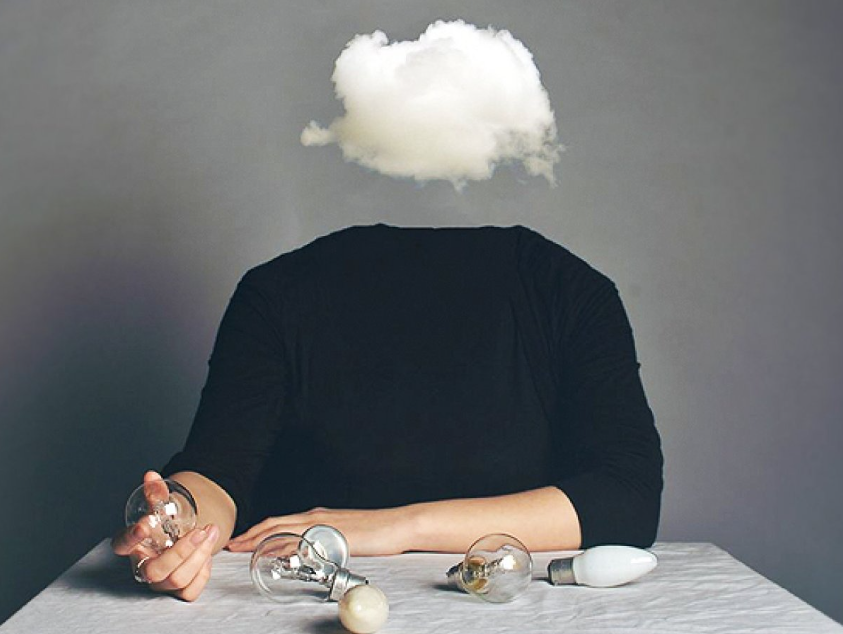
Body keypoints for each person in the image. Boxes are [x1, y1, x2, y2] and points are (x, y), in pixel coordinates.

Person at [112, 224, 663, 601]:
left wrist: (397, 525)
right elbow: (218, 470)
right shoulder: (277, 295)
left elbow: (626, 497)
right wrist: (178, 523)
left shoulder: (567, 291)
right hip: (302, 605)